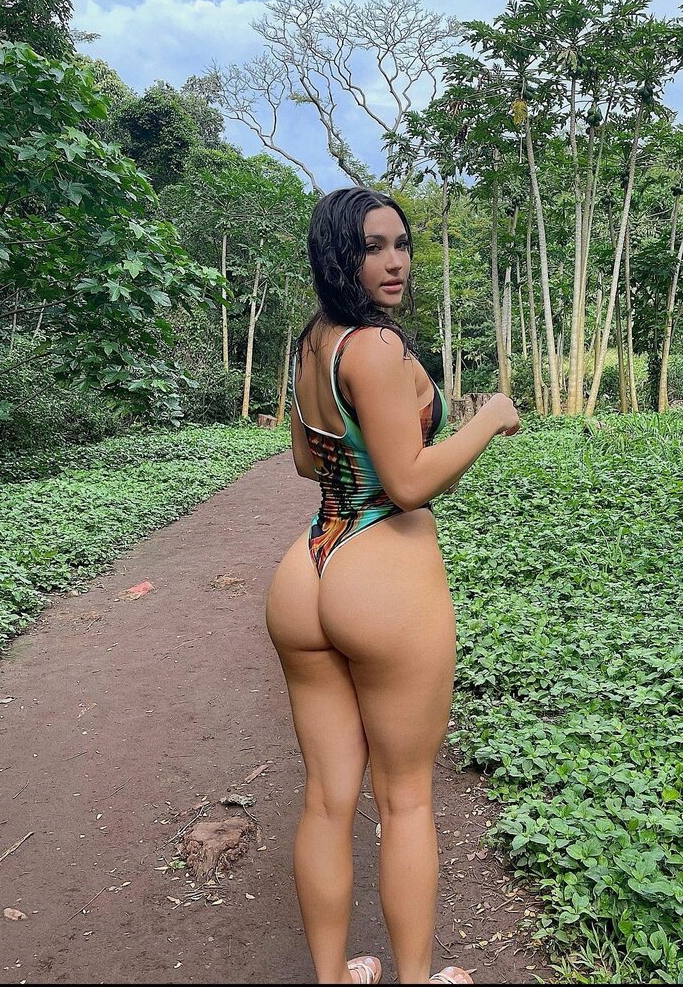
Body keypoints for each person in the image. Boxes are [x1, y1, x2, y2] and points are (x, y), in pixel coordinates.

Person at [265, 187, 520, 985]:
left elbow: (306, 461)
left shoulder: (314, 342)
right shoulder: (375, 347)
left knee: (326, 797)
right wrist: (488, 418)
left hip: (307, 569)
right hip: (381, 570)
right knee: (405, 797)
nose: (395, 261)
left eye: (401, 244)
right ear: (337, 255)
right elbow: (407, 485)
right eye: (372, 247)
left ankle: (333, 977)